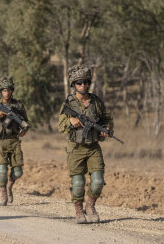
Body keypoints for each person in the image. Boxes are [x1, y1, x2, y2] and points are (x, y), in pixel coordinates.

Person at [58, 65, 114, 224]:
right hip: (75, 147)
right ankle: (78, 211)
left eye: (86, 82)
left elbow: (106, 119)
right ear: (73, 85)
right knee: (78, 183)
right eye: (79, 83)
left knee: (97, 181)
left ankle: (90, 206)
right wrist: (71, 121)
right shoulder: (69, 103)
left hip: (93, 147)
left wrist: (107, 128)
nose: (83, 85)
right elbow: (61, 125)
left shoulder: (96, 102)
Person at [0, 76, 30, 206]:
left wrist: (24, 131)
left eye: (9, 90)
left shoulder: (18, 105)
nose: (7, 93)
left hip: (14, 140)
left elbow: (26, 122)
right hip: (0, 140)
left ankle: (10, 186)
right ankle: (3, 193)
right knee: (2, 170)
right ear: (0, 92)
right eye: (4, 90)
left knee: (18, 172)